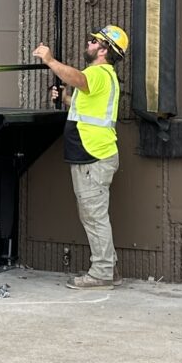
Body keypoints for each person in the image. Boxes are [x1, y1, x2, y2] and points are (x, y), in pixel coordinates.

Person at [33, 24, 129, 290]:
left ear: (104, 50)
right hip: (94, 154)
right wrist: (65, 98)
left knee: (94, 216)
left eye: (93, 41)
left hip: (92, 156)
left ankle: (102, 272)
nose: (88, 43)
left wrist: (50, 60)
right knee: (94, 215)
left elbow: (78, 79)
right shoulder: (103, 76)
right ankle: (108, 267)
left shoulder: (98, 72)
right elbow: (84, 103)